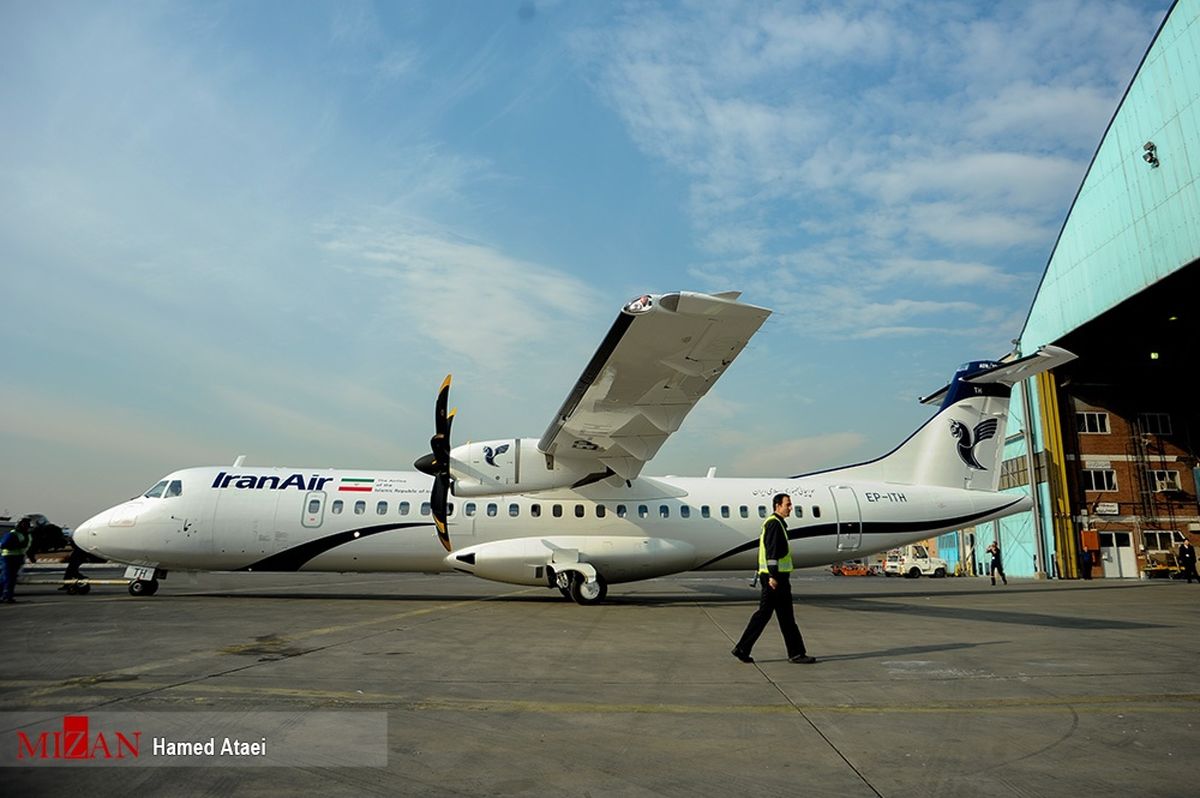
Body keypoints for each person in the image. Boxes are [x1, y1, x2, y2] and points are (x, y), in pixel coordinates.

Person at [732, 493, 815, 664]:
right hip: (776, 579)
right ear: (777, 506)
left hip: (777, 578)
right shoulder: (774, 524)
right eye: (788, 505)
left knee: (783, 617)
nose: (790, 508)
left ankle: (795, 653)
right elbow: (771, 552)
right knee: (768, 615)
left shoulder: (777, 524)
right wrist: (772, 576)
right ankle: (743, 648)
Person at [0, 517, 33, 603]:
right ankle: (7, 596)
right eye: (24, 523)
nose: (26, 525)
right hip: (9, 558)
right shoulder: (13, 534)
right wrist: (17, 545)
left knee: (11, 578)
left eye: (27, 524)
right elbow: (3, 545)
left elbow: (28, 547)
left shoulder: (27, 535)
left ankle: (7, 595)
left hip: (18, 557)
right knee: (8, 578)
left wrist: (31, 557)